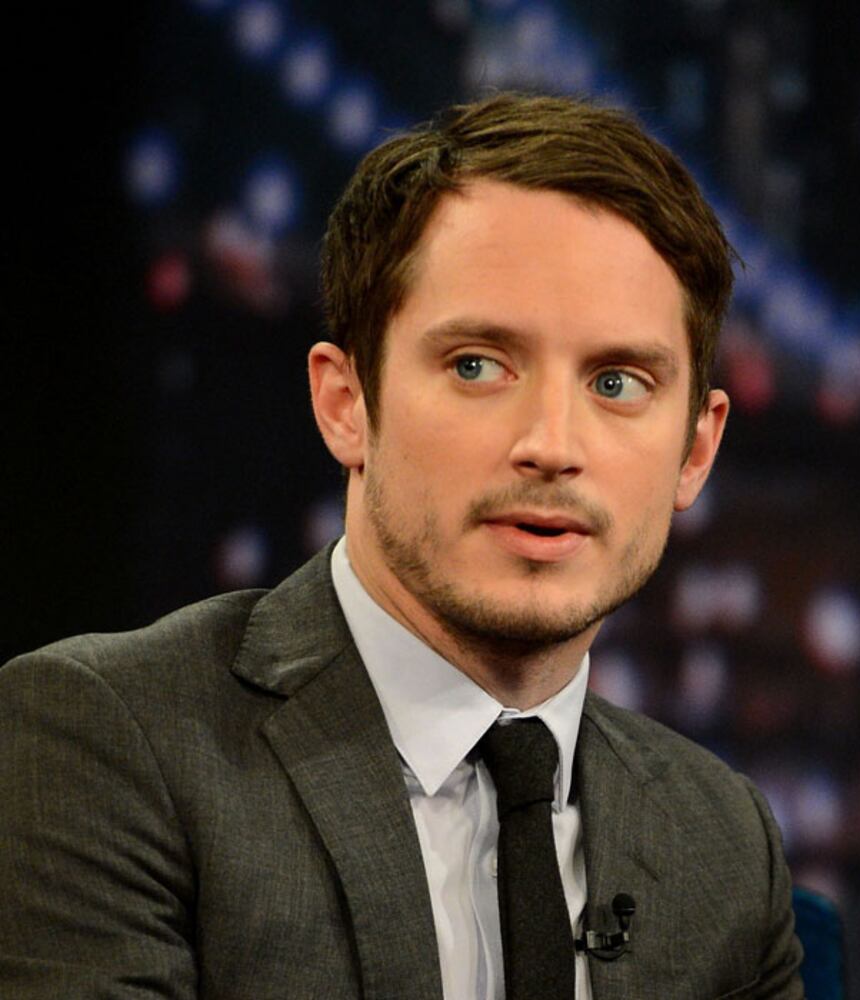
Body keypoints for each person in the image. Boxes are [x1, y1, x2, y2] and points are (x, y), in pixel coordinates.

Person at [0, 93, 804, 999]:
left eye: (617, 382)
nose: (552, 444)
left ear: (696, 451)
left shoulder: (725, 844)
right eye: (477, 365)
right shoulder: (107, 743)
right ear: (345, 403)